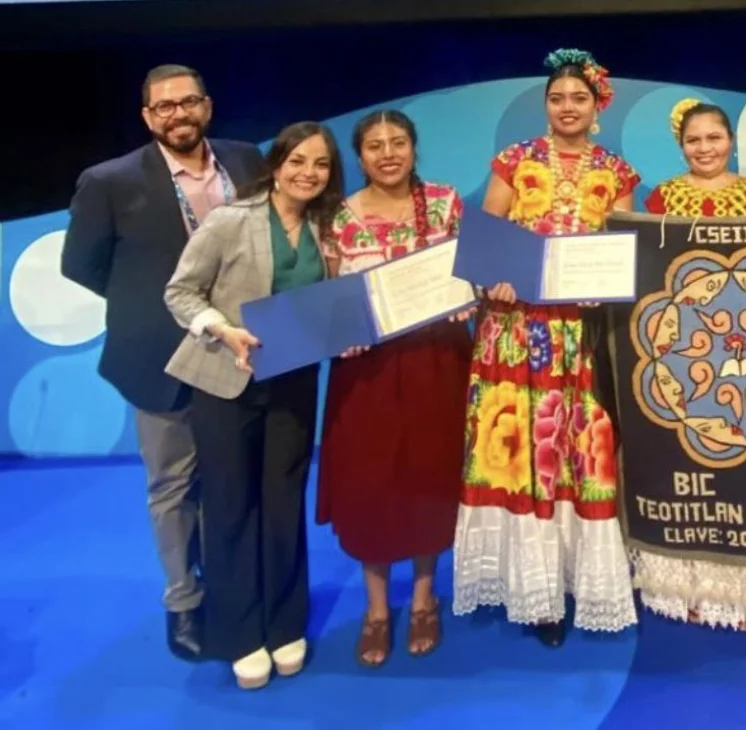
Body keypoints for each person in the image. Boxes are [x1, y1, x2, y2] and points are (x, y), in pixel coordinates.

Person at [59, 64, 265, 661]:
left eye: (188, 102)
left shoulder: (248, 162)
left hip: (243, 352)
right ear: (148, 117)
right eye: (164, 107)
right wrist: (151, 306)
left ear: (207, 106)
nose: (178, 114)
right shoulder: (108, 181)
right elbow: (82, 265)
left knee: (235, 478)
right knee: (173, 485)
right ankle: (183, 602)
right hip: (160, 358)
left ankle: (236, 587)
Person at [453, 48, 641, 648]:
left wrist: (602, 289)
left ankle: (576, 579)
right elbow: (489, 241)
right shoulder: (514, 161)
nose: (567, 108)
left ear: (597, 106)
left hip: (580, 338)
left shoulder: (617, 171)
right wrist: (497, 275)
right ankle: (531, 588)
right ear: (546, 105)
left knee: (573, 454)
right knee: (520, 450)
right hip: (514, 332)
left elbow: (619, 251)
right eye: (557, 98)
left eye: (578, 98)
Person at [163, 121, 345, 689]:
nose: (307, 173)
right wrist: (222, 328)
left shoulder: (330, 228)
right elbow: (180, 292)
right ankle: (240, 632)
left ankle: (285, 622)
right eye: (297, 161)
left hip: (292, 381)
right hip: (225, 381)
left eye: (319, 164)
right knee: (231, 504)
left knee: (283, 500)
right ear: (276, 164)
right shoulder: (230, 221)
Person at [315, 109, 471, 668]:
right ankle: (377, 609)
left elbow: (471, 273)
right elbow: (327, 292)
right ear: (359, 157)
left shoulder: (447, 203)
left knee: (431, 474)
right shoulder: (336, 216)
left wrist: (466, 298)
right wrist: (342, 331)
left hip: (437, 362)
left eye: (398, 142)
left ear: (414, 147)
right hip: (367, 372)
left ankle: (426, 597)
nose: (388, 154)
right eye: (375, 145)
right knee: (371, 481)